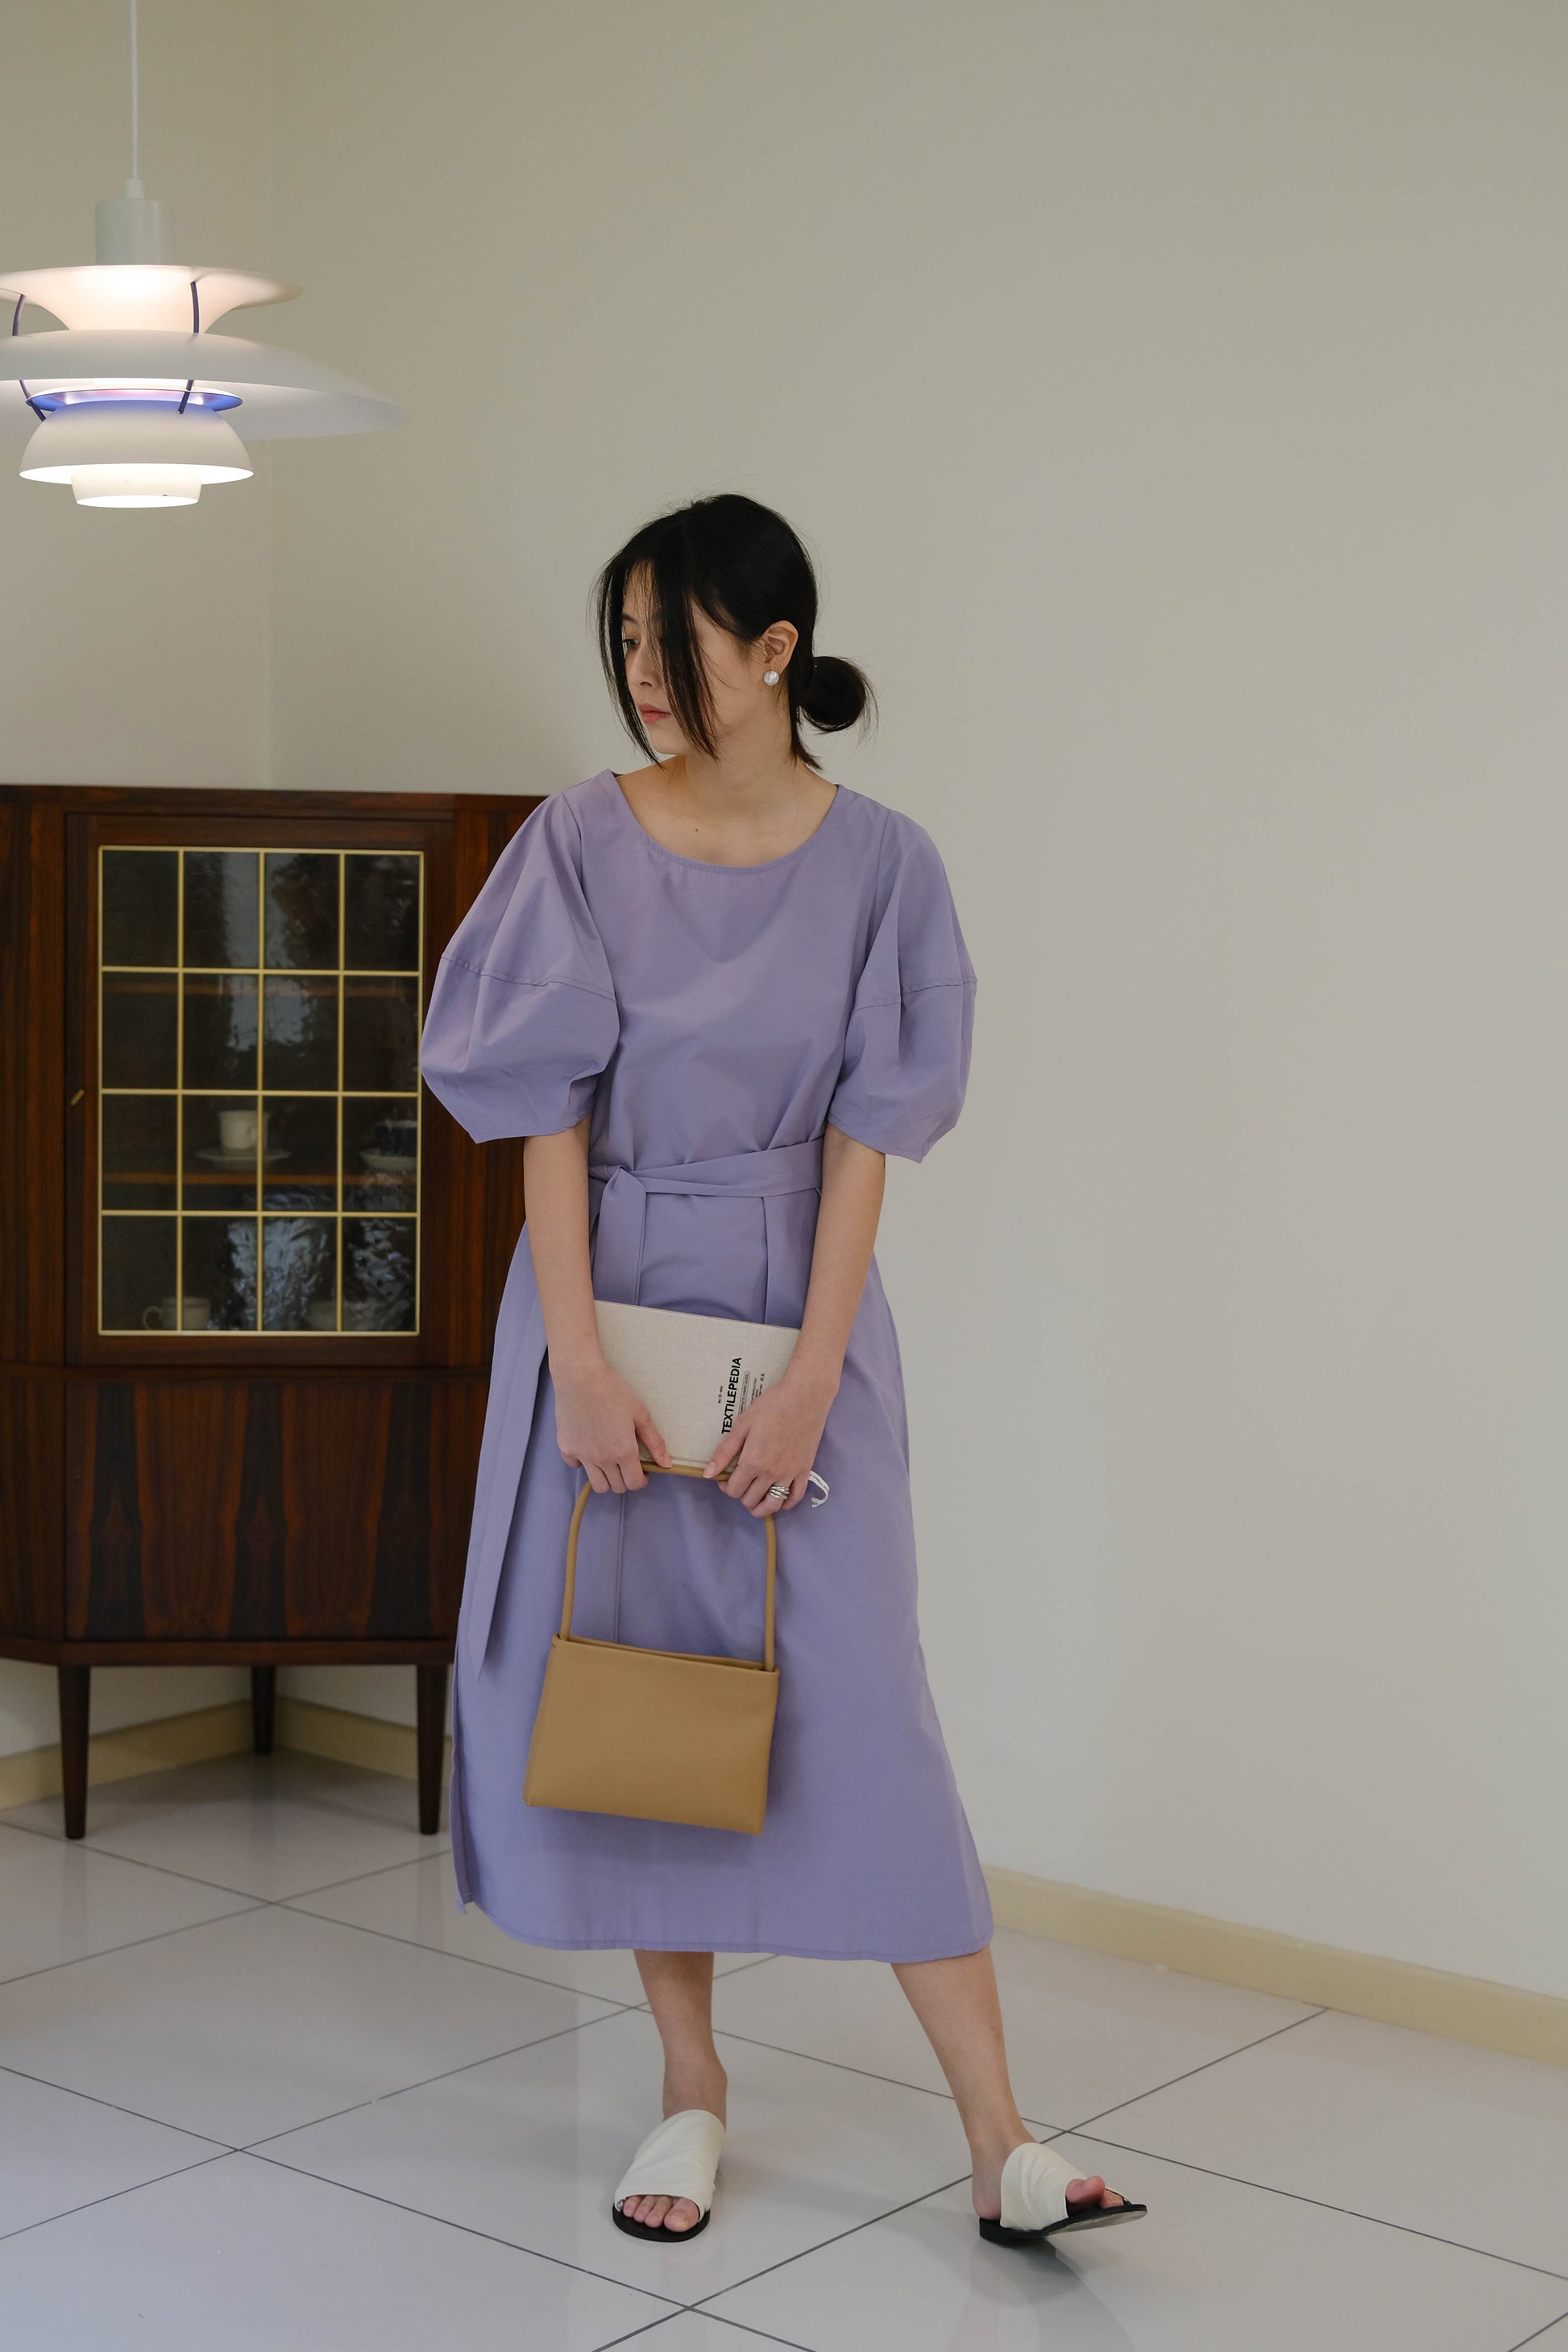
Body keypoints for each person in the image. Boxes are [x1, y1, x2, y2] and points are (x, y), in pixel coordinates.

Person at [417, 492, 1144, 2250]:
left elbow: (863, 1139)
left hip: (795, 1310)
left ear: (773, 649)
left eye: (670, 640)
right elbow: (543, 1123)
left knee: (865, 1699)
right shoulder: (578, 841)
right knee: (645, 1701)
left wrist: (817, 1372)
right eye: (623, 640)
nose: (640, 674)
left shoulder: (885, 863)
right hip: (605, 1303)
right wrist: (578, 1365)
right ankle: (690, 2086)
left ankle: (1001, 2138)